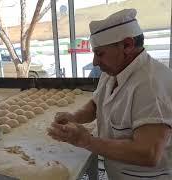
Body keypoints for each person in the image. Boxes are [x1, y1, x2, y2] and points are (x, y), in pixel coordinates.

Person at [48, 9, 172, 180]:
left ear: (127, 45)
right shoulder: (113, 71)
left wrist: (86, 140)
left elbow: (149, 153)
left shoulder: (151, 85)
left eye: (100, 54)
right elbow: (96, 103)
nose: (95, 62)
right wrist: (74, 116)